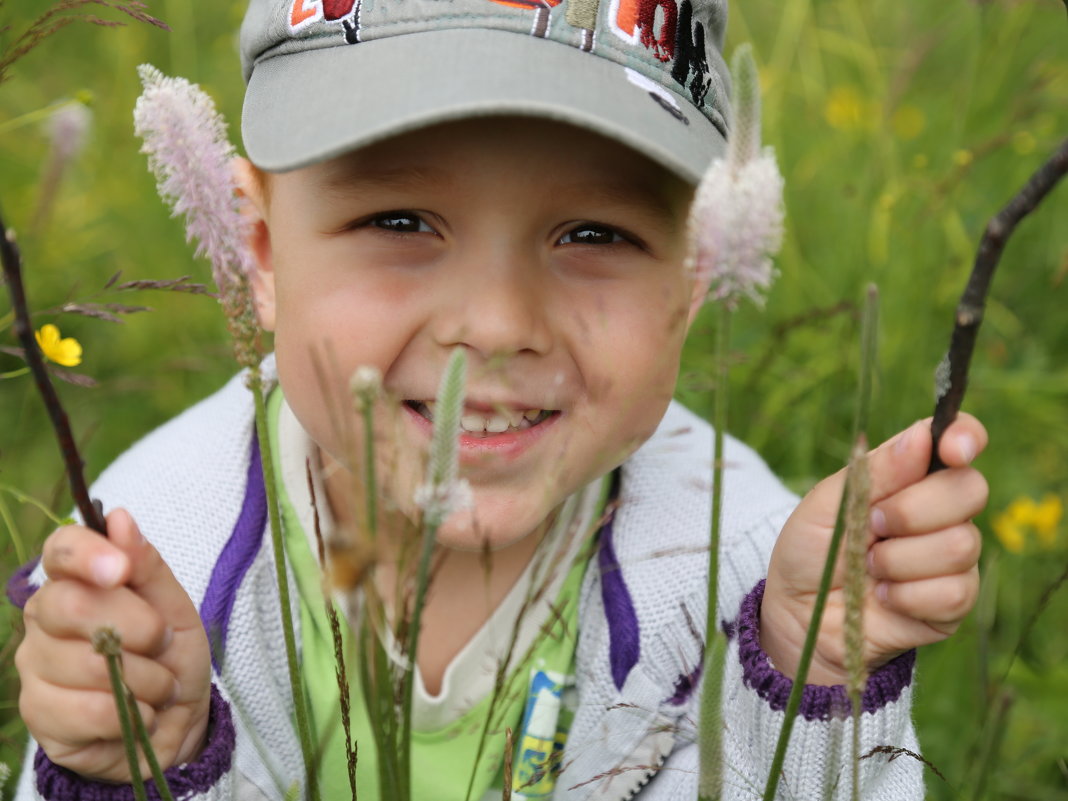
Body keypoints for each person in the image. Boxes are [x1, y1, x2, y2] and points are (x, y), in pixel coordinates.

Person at [7, 0, 989, 799]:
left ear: (694, 280)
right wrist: (151, 767)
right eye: (400, 220)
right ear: (256, 251)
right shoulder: (158, 560)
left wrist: (809, 682)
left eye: (594, 234)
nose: (494, 321)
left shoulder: (741, 564)